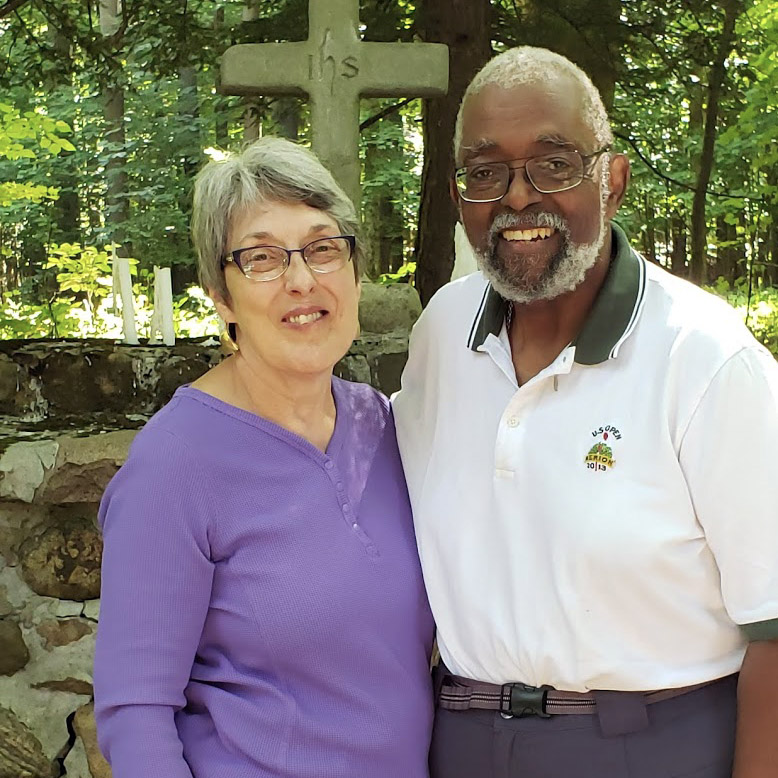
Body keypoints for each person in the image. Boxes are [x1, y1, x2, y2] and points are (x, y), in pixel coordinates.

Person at [393, 46, 778, 778]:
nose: (517, 197)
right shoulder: (442, 333)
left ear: (614, 181)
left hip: (651, 746)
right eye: (485, 172)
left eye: (554, 164)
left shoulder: (704, 357)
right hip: (463, 740)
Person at [94, 137, 434, 778]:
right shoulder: (175, 465)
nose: (301, 280)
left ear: (355, 272)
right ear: (221, 297)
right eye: (262, 258)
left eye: (323, 248)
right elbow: (135, 714)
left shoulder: (387, 427)